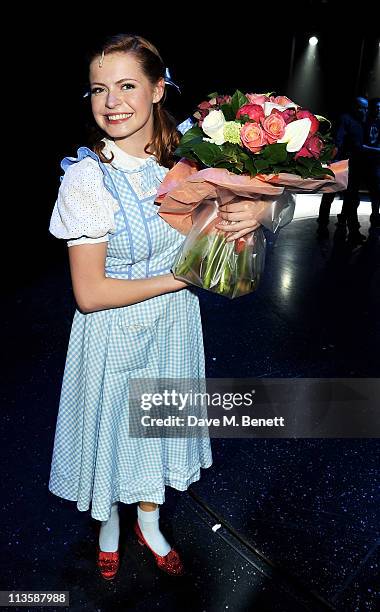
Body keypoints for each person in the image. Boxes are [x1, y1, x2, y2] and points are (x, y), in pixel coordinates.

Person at [48, 33, 266, 580]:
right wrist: (179, 278)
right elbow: (90, 294)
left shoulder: (190, 165)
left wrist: (254, 214)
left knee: (156, 429)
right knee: (115, 429)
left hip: (171, 330)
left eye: (127, 86)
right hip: (111, 330)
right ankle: (110, 524)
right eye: (99, 89)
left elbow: (218, 229)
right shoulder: (86, 179)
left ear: (158, 90)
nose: (112, 102)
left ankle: (149, 521)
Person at [316, 96, 368, 241]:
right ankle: (323, 224)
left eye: (365, 108)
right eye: (361, 107)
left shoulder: (363, 121)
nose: (364, 110)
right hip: (342, 163)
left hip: (356, 165)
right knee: (330, 194)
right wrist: (334, 161)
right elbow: (338, 140)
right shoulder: (346, 119)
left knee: (351, 198)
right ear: (354, 107)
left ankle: (350, 228)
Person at [362, 97, 380, 229]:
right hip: (364, 161)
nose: (379, 110)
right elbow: (359, 144)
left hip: (376, 162)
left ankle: (375, 216)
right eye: (377, 108)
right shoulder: (364, 123)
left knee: (376, 191)